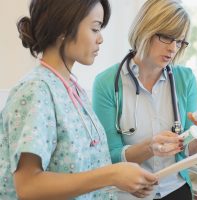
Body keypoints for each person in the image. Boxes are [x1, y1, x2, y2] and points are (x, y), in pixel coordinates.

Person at [0, 0, 159, 199]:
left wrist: (119, 182)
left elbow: (81, 171)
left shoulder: (72, 88)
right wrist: (111, 175)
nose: (100, 39)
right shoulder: (36, 90)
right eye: (95, 29)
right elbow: (29, 186)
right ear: (63, 29)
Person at [92, 0, 197, 199]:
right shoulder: (106, 84)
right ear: (146, 29)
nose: (173, 48)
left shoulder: (185, 80)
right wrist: (149, 148)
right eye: (167, 37)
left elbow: (186, 148)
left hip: (175, 190)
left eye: (179, 42)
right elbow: (110, 155)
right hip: (130, 194)